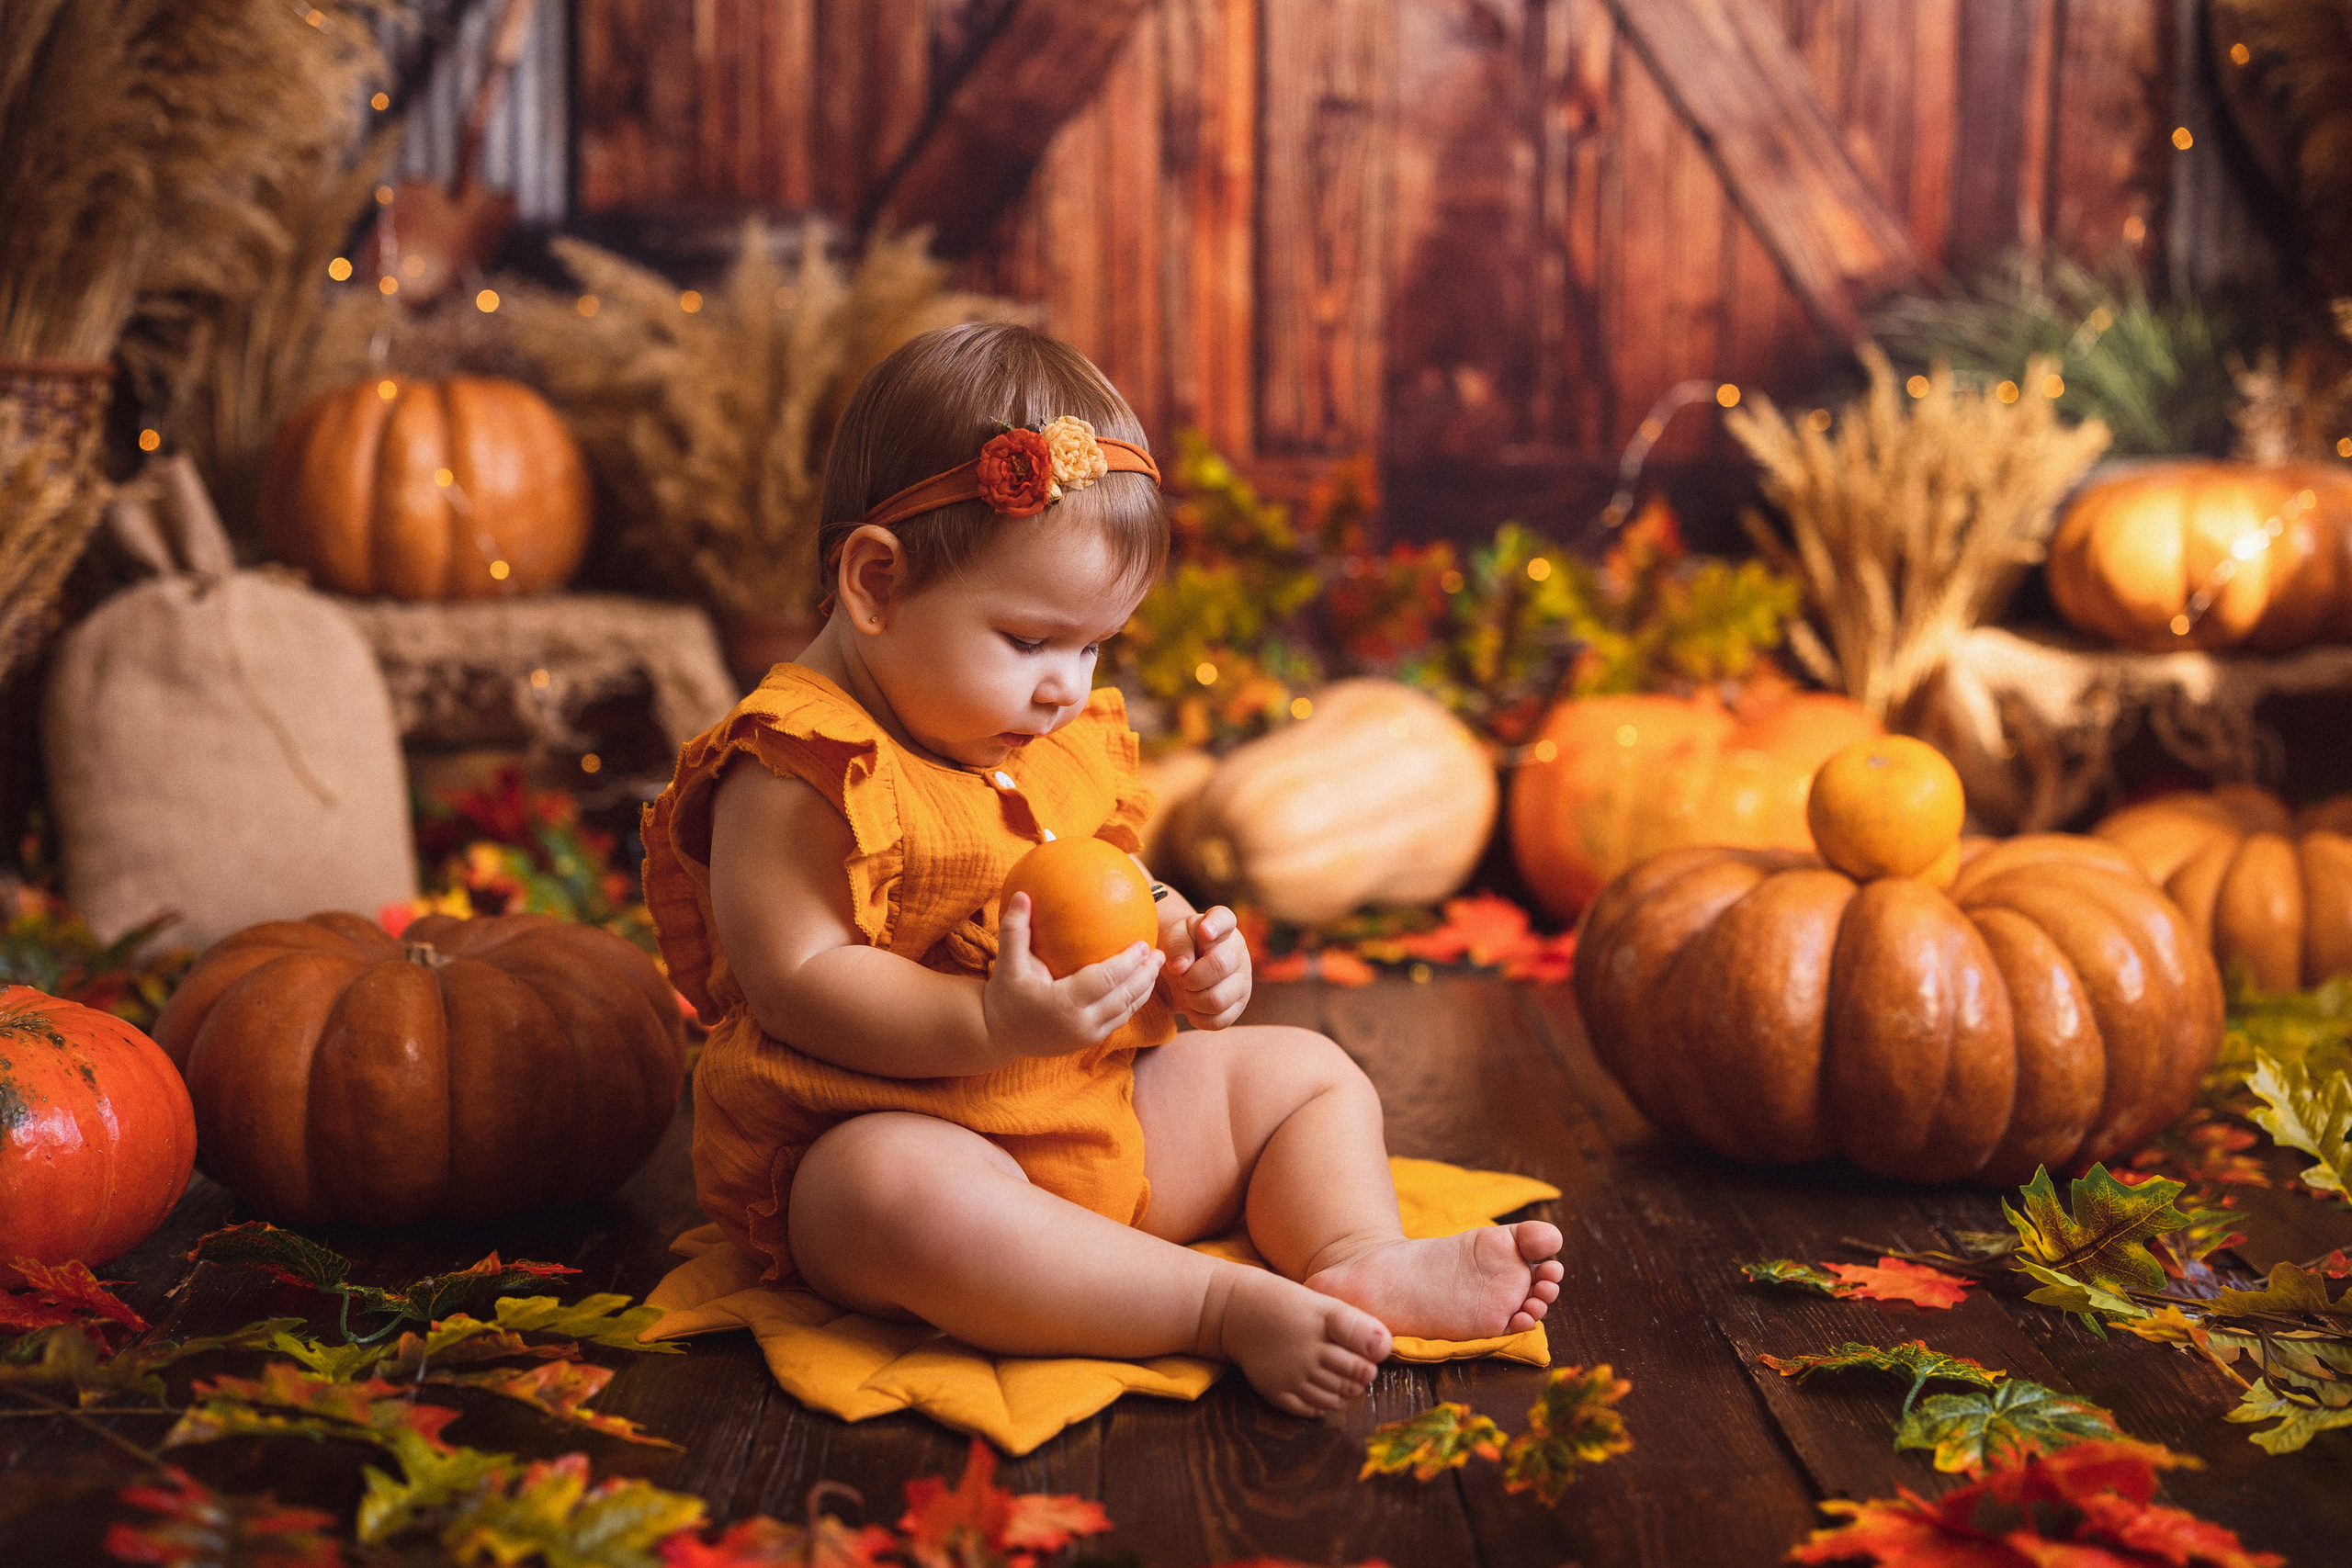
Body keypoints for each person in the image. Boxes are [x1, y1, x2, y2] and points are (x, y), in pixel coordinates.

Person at [642, 321, 1563, 1416]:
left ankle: (1358, 1254)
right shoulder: (797, 762)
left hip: (1087, 1110)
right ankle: (1211, 1305)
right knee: (886, 1193)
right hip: (899, 1131)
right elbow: (797, 981)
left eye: (1094, 646)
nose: (1064, 689)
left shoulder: (1038, 733)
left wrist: (1177, 944)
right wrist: (989, 1025)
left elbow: (1104, 874)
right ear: (876, 585)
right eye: (1031, 640)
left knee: (1305, 1074)